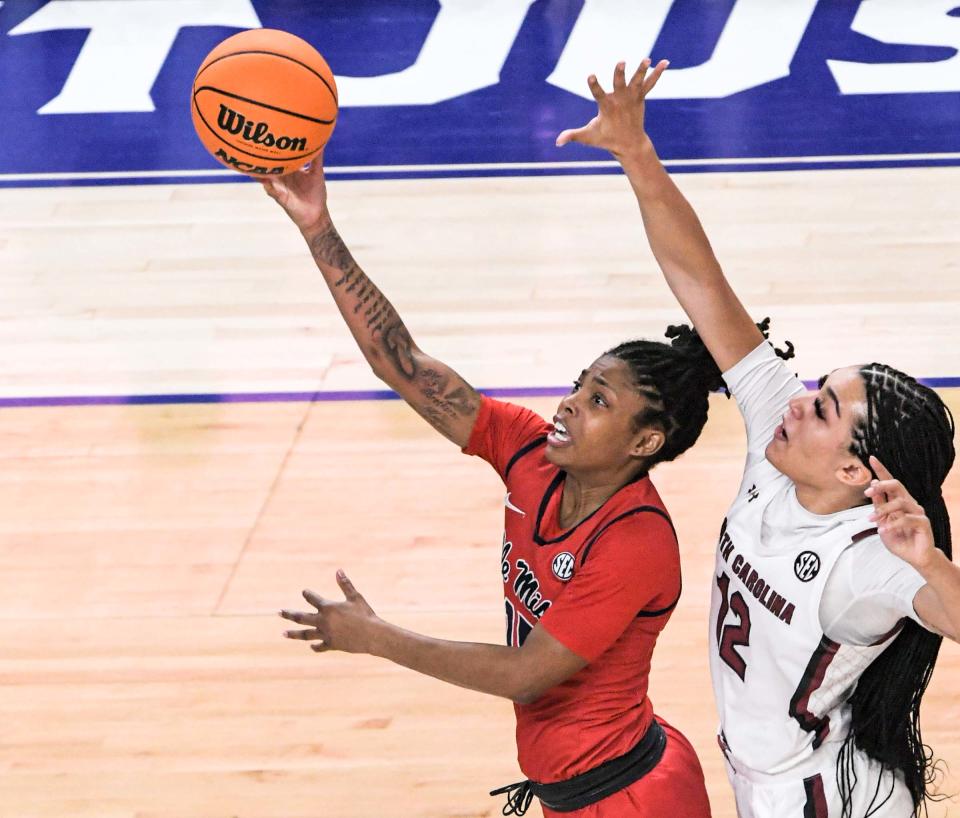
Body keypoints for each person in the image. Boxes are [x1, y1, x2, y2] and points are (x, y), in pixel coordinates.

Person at [265, 116, 725, 814]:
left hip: (633, 799)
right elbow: (406, 366)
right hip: (579, 792)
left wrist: (377, 636)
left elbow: (528, 675)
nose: (569, 404)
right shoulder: (530, 450)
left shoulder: (636, 542)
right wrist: (317, 227)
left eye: (598, 400)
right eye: (579, 384)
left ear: (644, 442)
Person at [556, 59, 960, 817]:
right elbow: (703, 283)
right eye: (817, 389)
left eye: (826, 408)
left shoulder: (865, 563)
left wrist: (931, 561)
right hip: (770, 784)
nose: (800, 400)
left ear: (850, 469)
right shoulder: (779, 442)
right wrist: (638, 155)